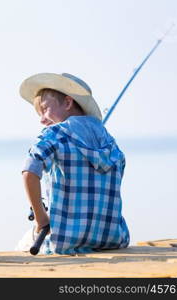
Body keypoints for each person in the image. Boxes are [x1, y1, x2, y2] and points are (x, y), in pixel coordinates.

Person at [19, 72, 130, 255]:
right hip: (112, 238)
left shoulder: (54, 134)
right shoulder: (111, 143)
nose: (42, 119)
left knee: (23, 244)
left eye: (45, 109)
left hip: (64, 241)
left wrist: (40, 218)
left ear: (68, 103)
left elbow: (29, 171)